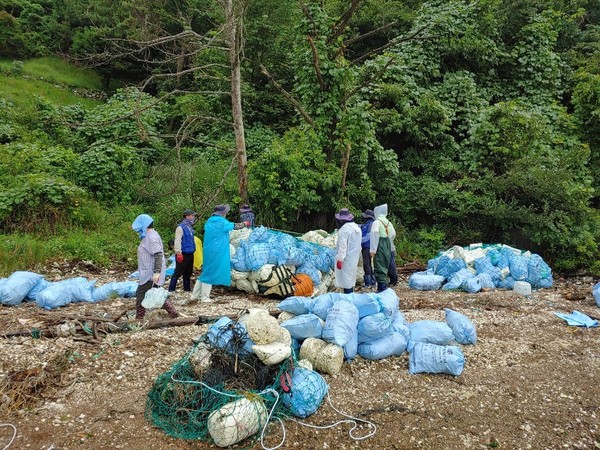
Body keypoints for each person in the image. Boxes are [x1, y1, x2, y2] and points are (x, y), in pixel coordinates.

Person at [191, 204, 249, 302]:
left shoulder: (209, 221)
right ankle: (205, 297)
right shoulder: (221, 222)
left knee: (205, 272)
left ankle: (194, 296)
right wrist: (245, 223)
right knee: (210, 273)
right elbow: (235, 226)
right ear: (223, 213)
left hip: (208, 249)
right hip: (217, 250)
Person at [131, 214, 179, 320]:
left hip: (150, 272)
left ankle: (139, 318)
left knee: (141, 294)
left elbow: (158, 254)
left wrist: (156, 272)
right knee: (155, 293)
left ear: (144, 225)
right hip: (148, 272)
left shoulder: (151, 237)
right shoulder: (148, 236)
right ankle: (173, 312)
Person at [369, 204, 397, 293]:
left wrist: (373, 250)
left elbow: (374, 234)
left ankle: (382, 287)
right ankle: (386, 284)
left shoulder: (376, 222)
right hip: (388, 243)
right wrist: (389, 241)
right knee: (386, 263)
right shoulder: (388, 222)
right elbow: (393, 234)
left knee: (379, 264)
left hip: (380, 244)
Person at [334, 208, 362, 294]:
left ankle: (348, 297)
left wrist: (340, 259)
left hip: (346, 258)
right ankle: (351, 295)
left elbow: (343, 246)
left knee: (345, 280)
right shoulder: (356, 227)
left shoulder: (344, 229)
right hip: (354, 257)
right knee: (351, 277)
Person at [168, 209, 196, 293]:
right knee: (177, 273)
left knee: (188, 273)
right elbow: (178, 240)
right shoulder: (180, 227)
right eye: (192, 215)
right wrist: (178, 252)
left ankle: (187, 289)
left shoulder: (190, 227)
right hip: (183, 253)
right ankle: (171, 290)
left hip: (190, 252)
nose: (193, 217)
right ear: (187, 216)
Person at [360, 209, 376, 288]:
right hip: (369, 246)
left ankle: (368, 282)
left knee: (366, 264)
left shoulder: (370, 225)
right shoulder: (368, 224)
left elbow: (368, 236)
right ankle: (372, 281)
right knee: (369, 264)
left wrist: (359, 240)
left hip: (367, 246)